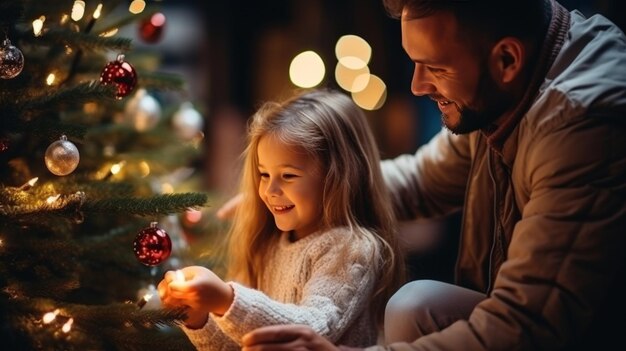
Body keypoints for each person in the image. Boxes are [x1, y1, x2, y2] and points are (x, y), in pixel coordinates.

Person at [238, 0, 626, 350]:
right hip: (539, 315)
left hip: (583, 332)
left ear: (507, 59)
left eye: (435, 67)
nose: (418, 85)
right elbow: (423, 178)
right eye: (414, 63)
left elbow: (528, 321)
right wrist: (296, 187)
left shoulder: (583, 125)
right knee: (416, 306)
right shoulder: (501, 93)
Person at [157, 88, 405, 350]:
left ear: (337, 178)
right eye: (264, 175)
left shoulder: (351, 250)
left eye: (288, 176)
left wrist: (227, 300)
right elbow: (240, 344)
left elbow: (310, 328)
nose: (270, 191)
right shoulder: (267, 243)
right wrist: (198, 319)